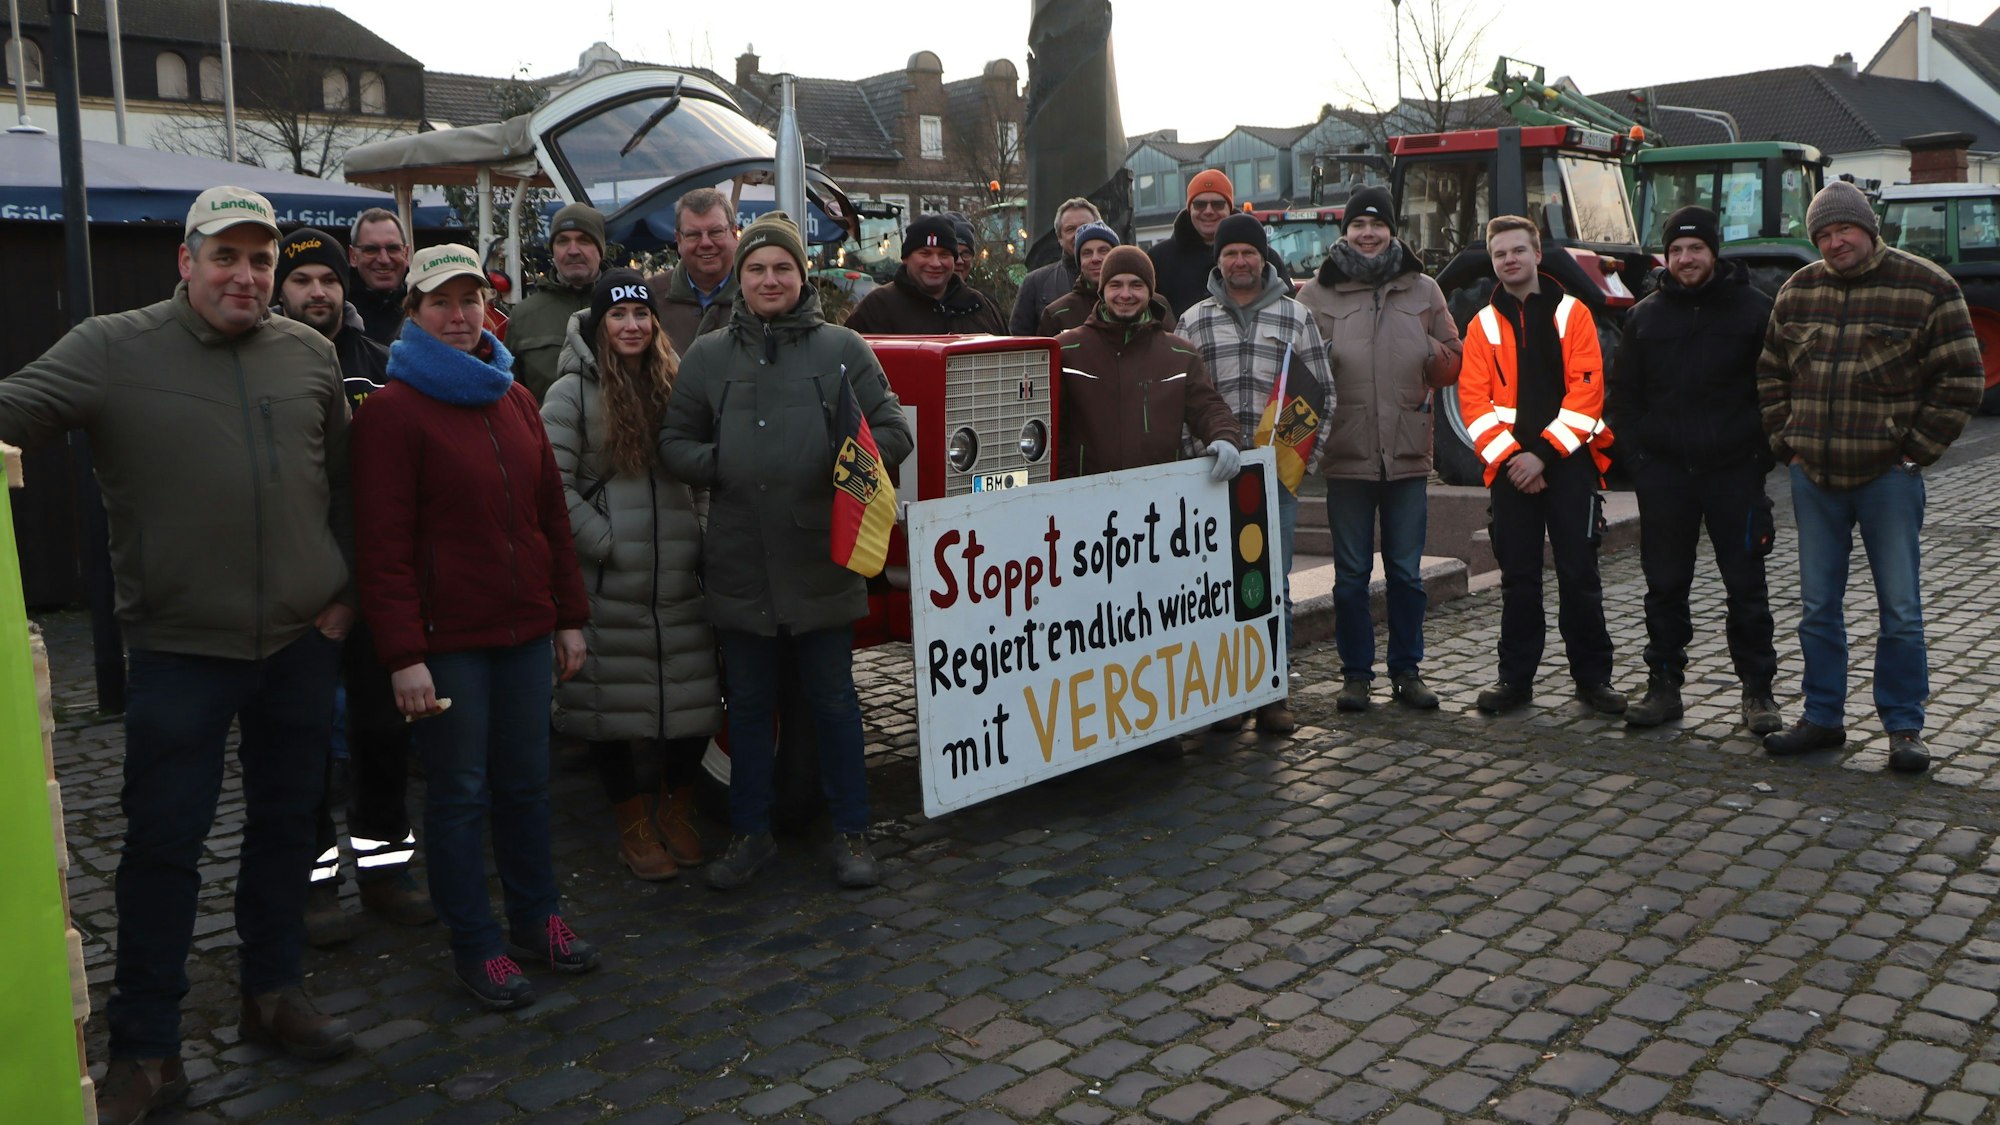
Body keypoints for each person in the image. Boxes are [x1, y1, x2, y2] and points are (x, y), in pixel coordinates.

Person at [0, 187, 357, 1124]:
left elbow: (346, 488)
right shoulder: (111, 346)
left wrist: (345, 594)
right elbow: (11, 411)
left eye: (260, 260)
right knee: (163, 847)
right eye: (225, 256)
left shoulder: (308, 354)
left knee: (288, 826)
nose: (245, 276)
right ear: (186, 260)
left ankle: (273, 988)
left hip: (297, 642)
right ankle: (148, 1047)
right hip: (178, 650)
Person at [352, 243, 599, 1010]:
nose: (458, 317)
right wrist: (402, 654)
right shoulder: (392, 412)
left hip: (524, 631)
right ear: (414, 313)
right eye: (441, 303)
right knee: (459, 795)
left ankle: (537, 917)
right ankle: (477, 942)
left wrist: (569, 616)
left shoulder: (513, 397)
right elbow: (381, 547)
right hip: (447, 643)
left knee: (526, 785)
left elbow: (549, 518)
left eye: (469, 301)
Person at [660, 213, 914, 891]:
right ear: (740, 279)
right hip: (740, 557)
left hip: (822, 558)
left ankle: (852, 831)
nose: (770, 279)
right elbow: (674, 442)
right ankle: (751, 832)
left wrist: (846, 462)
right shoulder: (710, 356)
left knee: (833, 701)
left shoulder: (842, 348)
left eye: (782, 268)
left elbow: (891, 430)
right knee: (746, 705)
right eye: (757, 268)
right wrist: (727, 461)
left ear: (802, 276)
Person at [1756, 182, 1983, 772]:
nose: (1835, 243)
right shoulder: (1798, 290)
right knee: (1816, 607)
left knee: (1901, 609)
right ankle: (1823, 718)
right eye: (1824, 236)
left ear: (1868, 228)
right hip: (1815, 480)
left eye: (1843, 231)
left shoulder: (1927, 286)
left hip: (1888, 479)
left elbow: (1961, 378)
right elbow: (1771, 375)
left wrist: (1915, 453)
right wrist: (1789, 447)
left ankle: (1904, 728)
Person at [271, 227, 436, 943]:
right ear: (283, 289)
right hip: (290, 600)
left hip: (368, 594)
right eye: (303, 280)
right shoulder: (264, 367)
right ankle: (312, 888)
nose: (318, 293)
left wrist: (360, 595)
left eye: (329, 281)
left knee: (380, 740)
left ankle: (385, 870)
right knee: (300, 748)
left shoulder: (380, 365)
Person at [543, 270, 722, 880]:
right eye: (618, 316)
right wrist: (606, 544)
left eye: (641, 315)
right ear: (599, 324)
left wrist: (695, 537)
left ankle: (675, 809)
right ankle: (634, 824)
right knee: (611, 711)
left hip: (677, 580)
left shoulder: (677, 385)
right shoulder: (570, 394)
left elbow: (697, 476)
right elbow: (552, 488)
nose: (631, 326)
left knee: (692, 702)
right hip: (609, 583)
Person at [1607, 205, 1783, 734]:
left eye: (1696, 249)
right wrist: (1640, 459)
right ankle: (1663, 685)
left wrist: (1759, 454)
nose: (1686, 259)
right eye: (1677, 250)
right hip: (1665, 476)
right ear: (1666, 256)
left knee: (1746, 586)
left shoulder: (1756, 311)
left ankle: (1758, 693)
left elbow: (1778, 389)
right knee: (1664, 584)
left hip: (1735, 473)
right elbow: (1625, 398)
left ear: (1714, 252)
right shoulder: (1644, 316)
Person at [1298, 187, 1463, 712]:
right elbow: (1297, 372)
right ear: (1343, 232)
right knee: (1350, 578)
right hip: (1345, 455)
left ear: (1393, 230)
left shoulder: (1424, 290)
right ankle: (1355, 676)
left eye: (1377, 225)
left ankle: (1407, 671)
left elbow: (1454, 361)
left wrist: (1428, 349)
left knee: (1406, 574)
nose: (1367, 234)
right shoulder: (1316, 296)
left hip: (1407, 454)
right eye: (1357, 226)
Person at [1459, 215, 1625, 716]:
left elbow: (1587, 394)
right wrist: (1515, 461)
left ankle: (1593, 682)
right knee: (1519, 581)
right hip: (1511, 474)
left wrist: (1543, 456)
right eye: (1500, 254)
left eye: (1517, 250)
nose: (1509, 260)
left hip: (1569, 465)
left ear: (1536, 255)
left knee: (1579, 575)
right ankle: (1515, 680)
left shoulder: (1574, 313)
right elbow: (1474, 404)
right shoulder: (1480, 325)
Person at [1176, 213, 1335, 734]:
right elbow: (1176, 396)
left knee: (1273, 586)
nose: (1240, 262)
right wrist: (1191, 459)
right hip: (1210, 477)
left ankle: (1271, 692)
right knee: (1215, 586)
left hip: (1273, 479)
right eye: (1230, 254)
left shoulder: (1296, 317)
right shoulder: (1193, 321)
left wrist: (1295, 463)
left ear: (1263, 258)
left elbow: (1320, 394)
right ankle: (1224, 697)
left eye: (1248, 252)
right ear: (1217, 261)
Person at [1147, 169, 1285, 320]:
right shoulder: (1159, 259)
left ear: (1229, 208)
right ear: (1189, 209)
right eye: (1199, 205)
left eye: (1218, 204)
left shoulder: (1265, 256)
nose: (1208, 211)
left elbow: (1285, 303)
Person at [509, 202, 608, 401]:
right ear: (553, 251)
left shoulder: (625, 306)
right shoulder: (524, 316)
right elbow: (511, 400)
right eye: (563, 241)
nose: (573, 251)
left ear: (601, 249)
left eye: (584, 240)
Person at [844, 214, 1005, 334]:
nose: (935, 263)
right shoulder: (877, 307)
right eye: (925, 253)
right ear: (906, 257)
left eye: (944, 254)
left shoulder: (978, 305)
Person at [647, 188, 740, 355]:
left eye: (716, 232)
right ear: (678, 240)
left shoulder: (756, 294)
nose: (705, 243)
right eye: (694, 235)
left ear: (734, 233)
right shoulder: (650, 298)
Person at [1011, 196, 1102, 334]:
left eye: (1085, 227)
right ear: (1059, 238)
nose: (1078, 234)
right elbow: (1019, 341)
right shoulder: (1035, 283)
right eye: (1070, 229)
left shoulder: (1120, 281)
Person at [1036, 220, 1122, 335]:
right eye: (1087, 253)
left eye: (1103, 251)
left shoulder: (1147, 305)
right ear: (1079, 262)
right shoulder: (1056, 314)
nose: (1095, 258)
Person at [348, 207, 411, 345]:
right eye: (371, 250)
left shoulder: (423, 304)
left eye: (393, 249)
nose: (384, 259)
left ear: (406, 253)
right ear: (353, 256)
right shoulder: (338, 310)